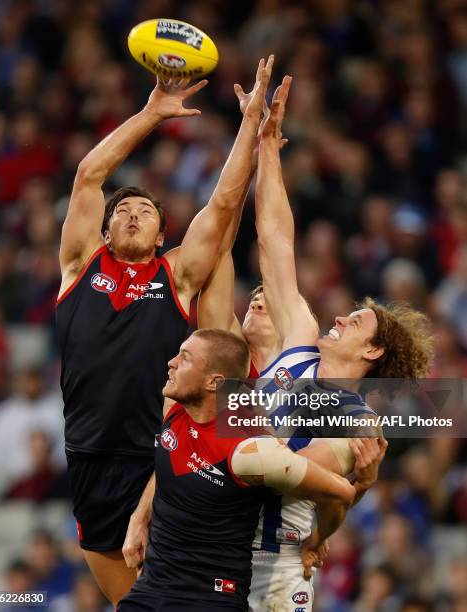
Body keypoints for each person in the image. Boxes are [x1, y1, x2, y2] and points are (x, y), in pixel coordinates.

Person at [192, 75, 433, 611]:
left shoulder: (356, 420)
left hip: (274, 566)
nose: (342, 316)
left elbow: (302, 481)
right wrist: (268, 149)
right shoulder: (299, 343)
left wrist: (342, 505)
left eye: (357, 321)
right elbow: (277, 242)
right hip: (219, 547)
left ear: (373, 353)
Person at [56, 57, 274, 606]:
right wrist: (151, 114)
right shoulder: (81, 266)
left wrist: (249, 128)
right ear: (103, 229)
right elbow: (89, 174)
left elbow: (224, 205)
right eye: (122, 210)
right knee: (130, 600)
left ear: (161, 235)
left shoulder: (175, 276)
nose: (132, 214)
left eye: (145, 210)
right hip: (88, 455)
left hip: (160, 452)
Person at [118, 329, 375, 612]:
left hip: (208, 599)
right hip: (149, 591)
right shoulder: (176, 406)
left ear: (214, 382)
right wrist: (139, 517)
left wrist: (317, 539)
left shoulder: (250, 452)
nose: (172, 362)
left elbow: (340, 493)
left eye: (185, 358)